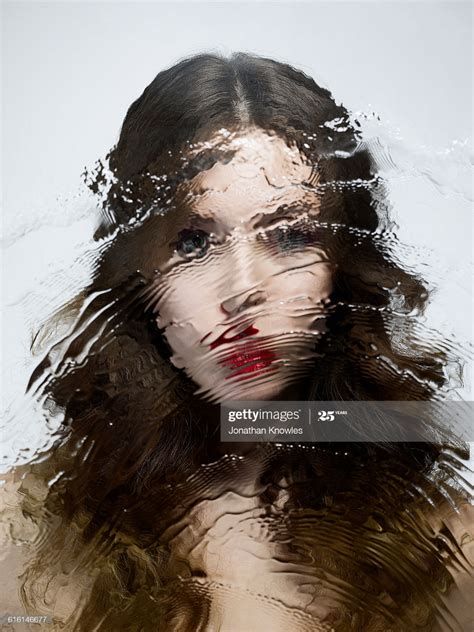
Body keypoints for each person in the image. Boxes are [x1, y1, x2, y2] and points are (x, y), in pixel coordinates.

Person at [1, 52, 472, 631]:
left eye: (291, 236)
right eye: (194, 242)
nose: (244, 292)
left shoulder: (447, 545)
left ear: (342, 267)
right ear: (137, 270)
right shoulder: (20, 528)